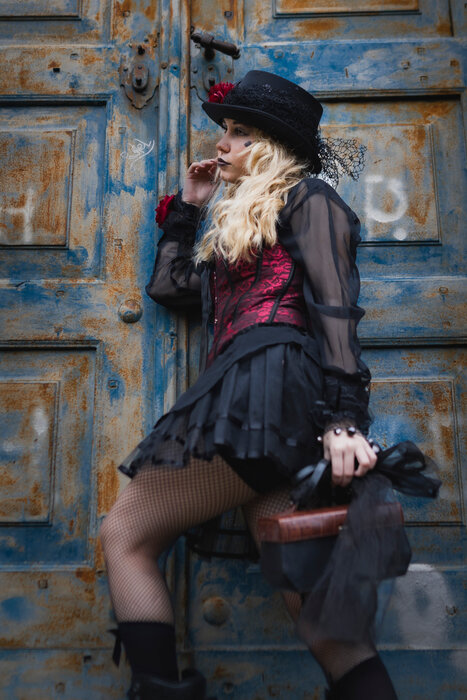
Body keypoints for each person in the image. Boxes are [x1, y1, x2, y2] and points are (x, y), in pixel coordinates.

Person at [100, 70, 399, 700]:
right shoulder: (248, 221)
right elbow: (170, 287)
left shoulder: (310, 199)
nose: (222, 144)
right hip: (260, 403)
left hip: (269, 389)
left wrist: (345, 422)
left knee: (126, 535)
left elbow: (336, 310)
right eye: (226, 131)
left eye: (239, 133)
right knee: (315, 613)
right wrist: (190, 206)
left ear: (271, 146)